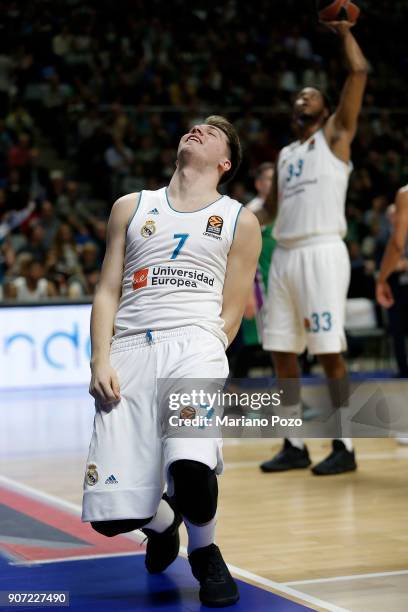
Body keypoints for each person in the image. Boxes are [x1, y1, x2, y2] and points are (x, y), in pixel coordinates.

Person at [82, 115, 261, 607]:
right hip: (130, 350)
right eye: (195, 125)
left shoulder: (240, 220)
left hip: (195, 346)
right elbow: (106, 291)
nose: (197, 128)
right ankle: (164, 525)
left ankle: (206, 554)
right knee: (111, 517)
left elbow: (232, 311)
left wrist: (206, 357)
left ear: (225, 161)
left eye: (214, 130)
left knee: (191, 466)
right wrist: (100, 358)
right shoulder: (131, 207)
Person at [259, 21, 368, 475]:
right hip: (284, 255)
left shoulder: (336, 137)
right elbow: (269, 210)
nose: (302, 98)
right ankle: (294, 443)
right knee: (281, 352)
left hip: (323, 250)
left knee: (328, 352)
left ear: (326, 109)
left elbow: (359, 72)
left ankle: (344, 445)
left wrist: (344, 34)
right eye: (297, 95)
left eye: (311, 95)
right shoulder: (285, 154)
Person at [376, 186, 408, 376]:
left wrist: (382, 279)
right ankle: (402, 368)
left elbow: (397, 244)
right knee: (397, 329)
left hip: (396, 283)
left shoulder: (405, 194)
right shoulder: (382, 237)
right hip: (399, 288)